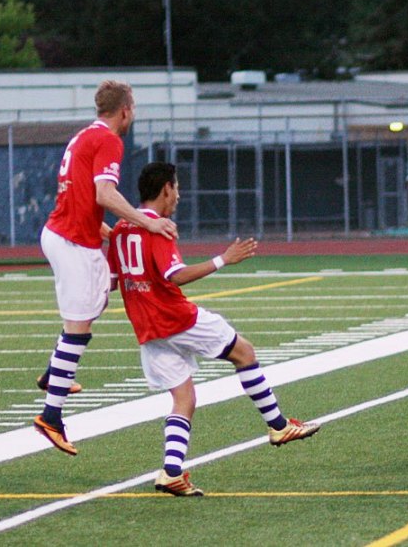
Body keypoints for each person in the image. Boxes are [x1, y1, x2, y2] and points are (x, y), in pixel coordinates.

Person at [108, 162, 320, 496]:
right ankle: (278, 426)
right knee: (245, 353)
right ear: (165, 188)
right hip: (177, 318)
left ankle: (171, 472)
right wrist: (224, 259)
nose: (178, 195)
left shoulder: (121, 228)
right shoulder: (158, 227)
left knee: (184, 398)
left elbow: (113, 281)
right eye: (176, 187)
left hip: (147, 328)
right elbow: (174, 275)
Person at [33, 80, 178, 456]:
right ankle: (51, 415)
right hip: (71, 242)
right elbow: (104, 194)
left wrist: (108, 231)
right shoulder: (110, 141)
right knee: (78, 329)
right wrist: (147, 222)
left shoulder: (84, 136)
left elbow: (78, 195)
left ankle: (54, 373)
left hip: (65, 234)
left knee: (97, 299)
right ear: (125, 110)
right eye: (134, 108)